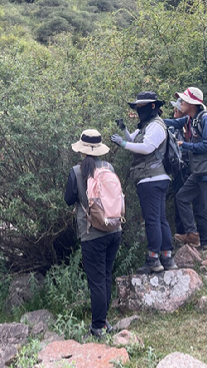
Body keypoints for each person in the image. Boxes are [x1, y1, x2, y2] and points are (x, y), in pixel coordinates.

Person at [110, 91, 177, 274]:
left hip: (151, 179)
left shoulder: (156, 126)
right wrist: (124, 130)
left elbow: (146, 148)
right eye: (138, 107)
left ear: (153, 106)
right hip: (154, 179)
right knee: (160, 219)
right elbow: (134, 140)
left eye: (141, 107)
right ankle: (167, 258)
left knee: (152, 220)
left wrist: (122, 144)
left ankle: (153, 259)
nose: (139, 110)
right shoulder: (146, 126)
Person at [64, 130, 122, 339]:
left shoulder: (76, 171)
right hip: (114, 229)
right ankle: (103, 320)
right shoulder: (109, 167)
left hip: (92, 233)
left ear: (82, 149)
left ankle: (98, 327)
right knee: (105, 276)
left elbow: (69, 199)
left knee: (96, 281)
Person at [164, 87, 207, 267]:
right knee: (182, 197)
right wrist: (151, 121)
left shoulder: (206, 119)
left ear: (192, 104)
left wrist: (185, 145)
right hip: (199, 172)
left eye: (183, 101)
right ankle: (193, 235)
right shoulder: (191, 118)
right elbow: (172, 123)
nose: (180, 103)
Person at [169, 99, 207, 251]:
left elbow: (206, 144)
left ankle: (202, 240)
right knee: (183, 200)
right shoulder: (185, 123)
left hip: (193, 168)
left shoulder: (195, 121)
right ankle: (188, 236)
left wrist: (184, 146)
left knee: (199, 204)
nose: (174, 115)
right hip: (186, 168)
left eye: (176, 111)